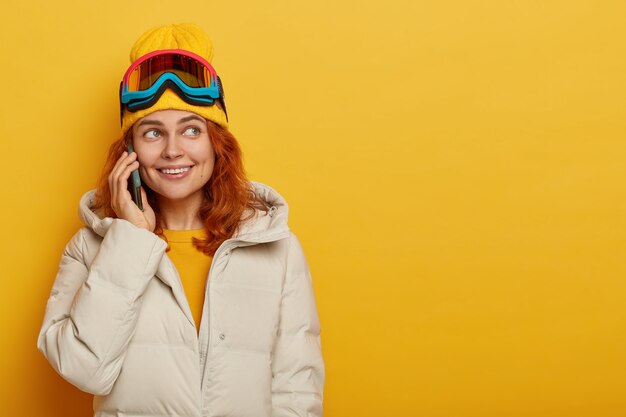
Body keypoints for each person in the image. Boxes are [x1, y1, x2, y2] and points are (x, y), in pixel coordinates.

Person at [37, 23, 324, 417]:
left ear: (216, 143)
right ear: (129, 152)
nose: (173, 150)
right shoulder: (90, 247)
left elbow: (297, 388)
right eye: (152, 133)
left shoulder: (274, 245)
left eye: (191, 130)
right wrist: (131, 241)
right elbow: (85, 370)